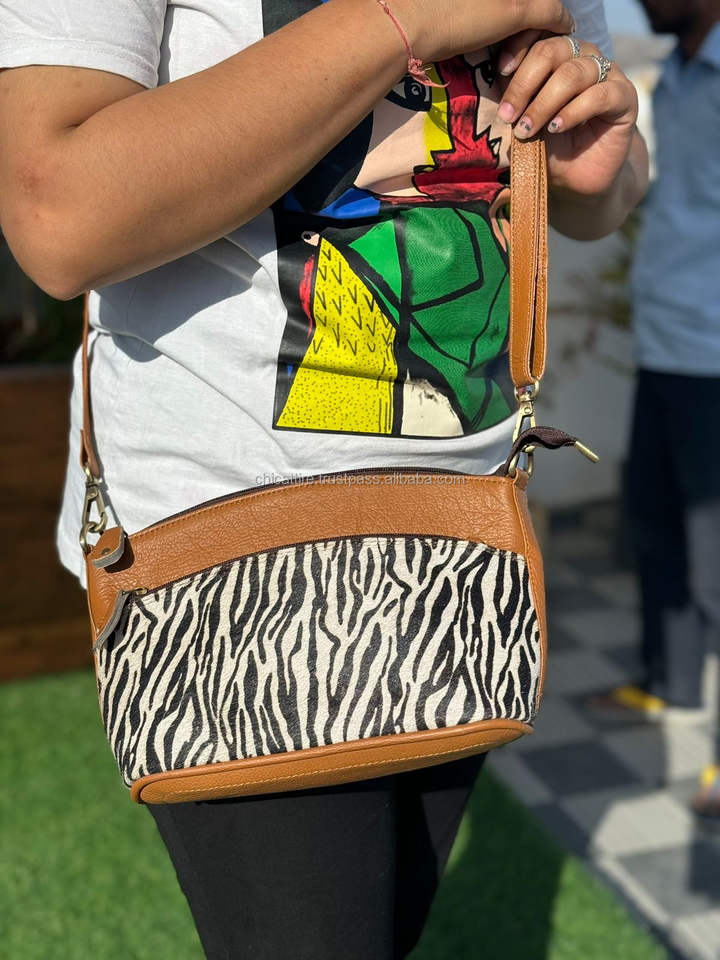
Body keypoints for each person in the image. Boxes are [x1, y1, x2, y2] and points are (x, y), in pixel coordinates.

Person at [0, 0, 646, 956]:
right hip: (231, 550)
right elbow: (58, 217)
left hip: (460, 533)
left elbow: (600, 183)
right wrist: (406, 20)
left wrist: (595, 163)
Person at [585, 0, 720, 818]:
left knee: (715, 562)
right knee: (654, 522)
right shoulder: (676, 76)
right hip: (666, 341)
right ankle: (670, 683)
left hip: (714, 354)